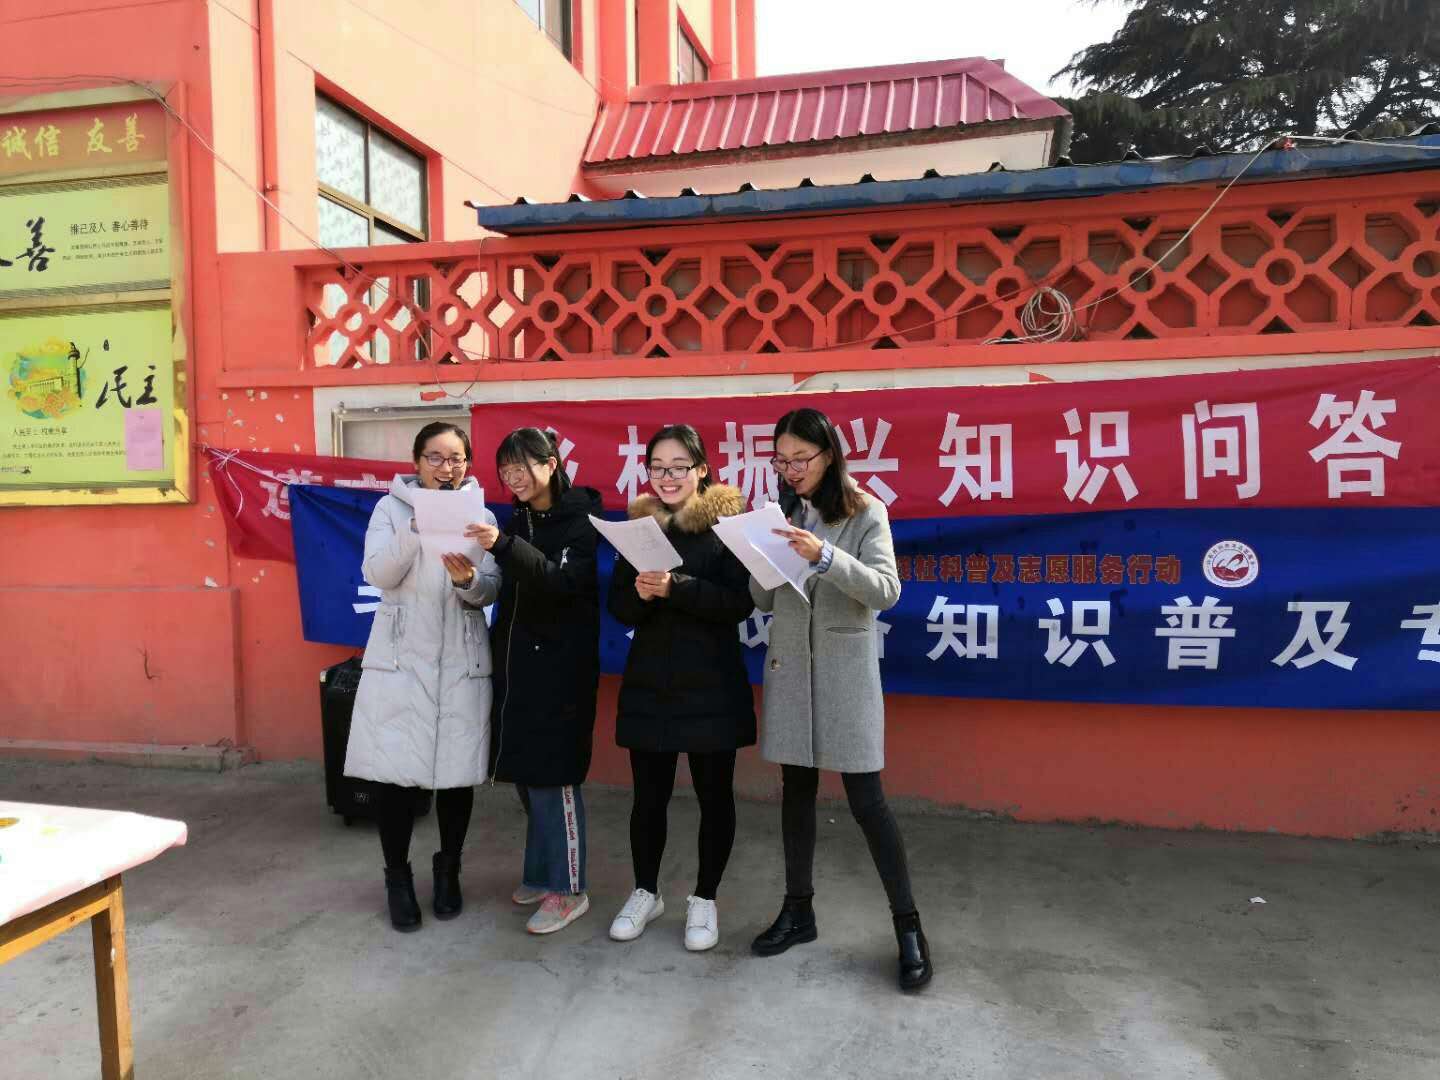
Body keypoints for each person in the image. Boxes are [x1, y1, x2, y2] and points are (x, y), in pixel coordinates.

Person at [748, 407, 933, 992]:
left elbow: (886, 590)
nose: (790, 469)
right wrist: (761, 553)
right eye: (781, 460)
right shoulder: (783, 513)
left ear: (828, 455)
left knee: (867, 802)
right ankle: (797, 910)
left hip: (845, 674)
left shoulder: (865, 511)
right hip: (791, 671)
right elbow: (762, 599)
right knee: (796, 795)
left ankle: (908, 926)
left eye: (800, 459)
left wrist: (823, 556)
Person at [344, 421, 501, 933]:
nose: (445, 467)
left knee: (457, 776)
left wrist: (469, 580)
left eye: (456, 458)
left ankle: (449, 870)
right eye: (435, 457)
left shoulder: (481, 516)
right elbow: (377, 573)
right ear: (416, 463)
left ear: (467, 464)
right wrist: (416, 531)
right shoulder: (390, 511)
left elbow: (490, 589)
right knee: (395, 777)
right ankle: (397, 878)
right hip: (402, 661)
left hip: (460, 659)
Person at [606, 425, 755, 952]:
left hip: (712, 684)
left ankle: (705, 898)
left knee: (715, 797)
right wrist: (642, 594)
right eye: (658, 468)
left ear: (701, 470)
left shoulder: (727, 529)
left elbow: (740, 603)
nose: (667, 477)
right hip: (652, 682)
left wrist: (679, 587)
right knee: (648, 797)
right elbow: (619, 607)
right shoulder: (638, 530)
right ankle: (646, 891)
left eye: (678, 467)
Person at [466, 428, 601, 936]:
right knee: (526, 772)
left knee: (555, 777)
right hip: (517, 662)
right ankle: (542, 874)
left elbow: (562, 583)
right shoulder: (517, 517)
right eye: (506, 469)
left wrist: (504, 546)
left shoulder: (580, 521)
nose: (513, 477)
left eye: (521, 466)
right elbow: (508, 582)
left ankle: (570, 890)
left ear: (551, 464)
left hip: (561, 669)